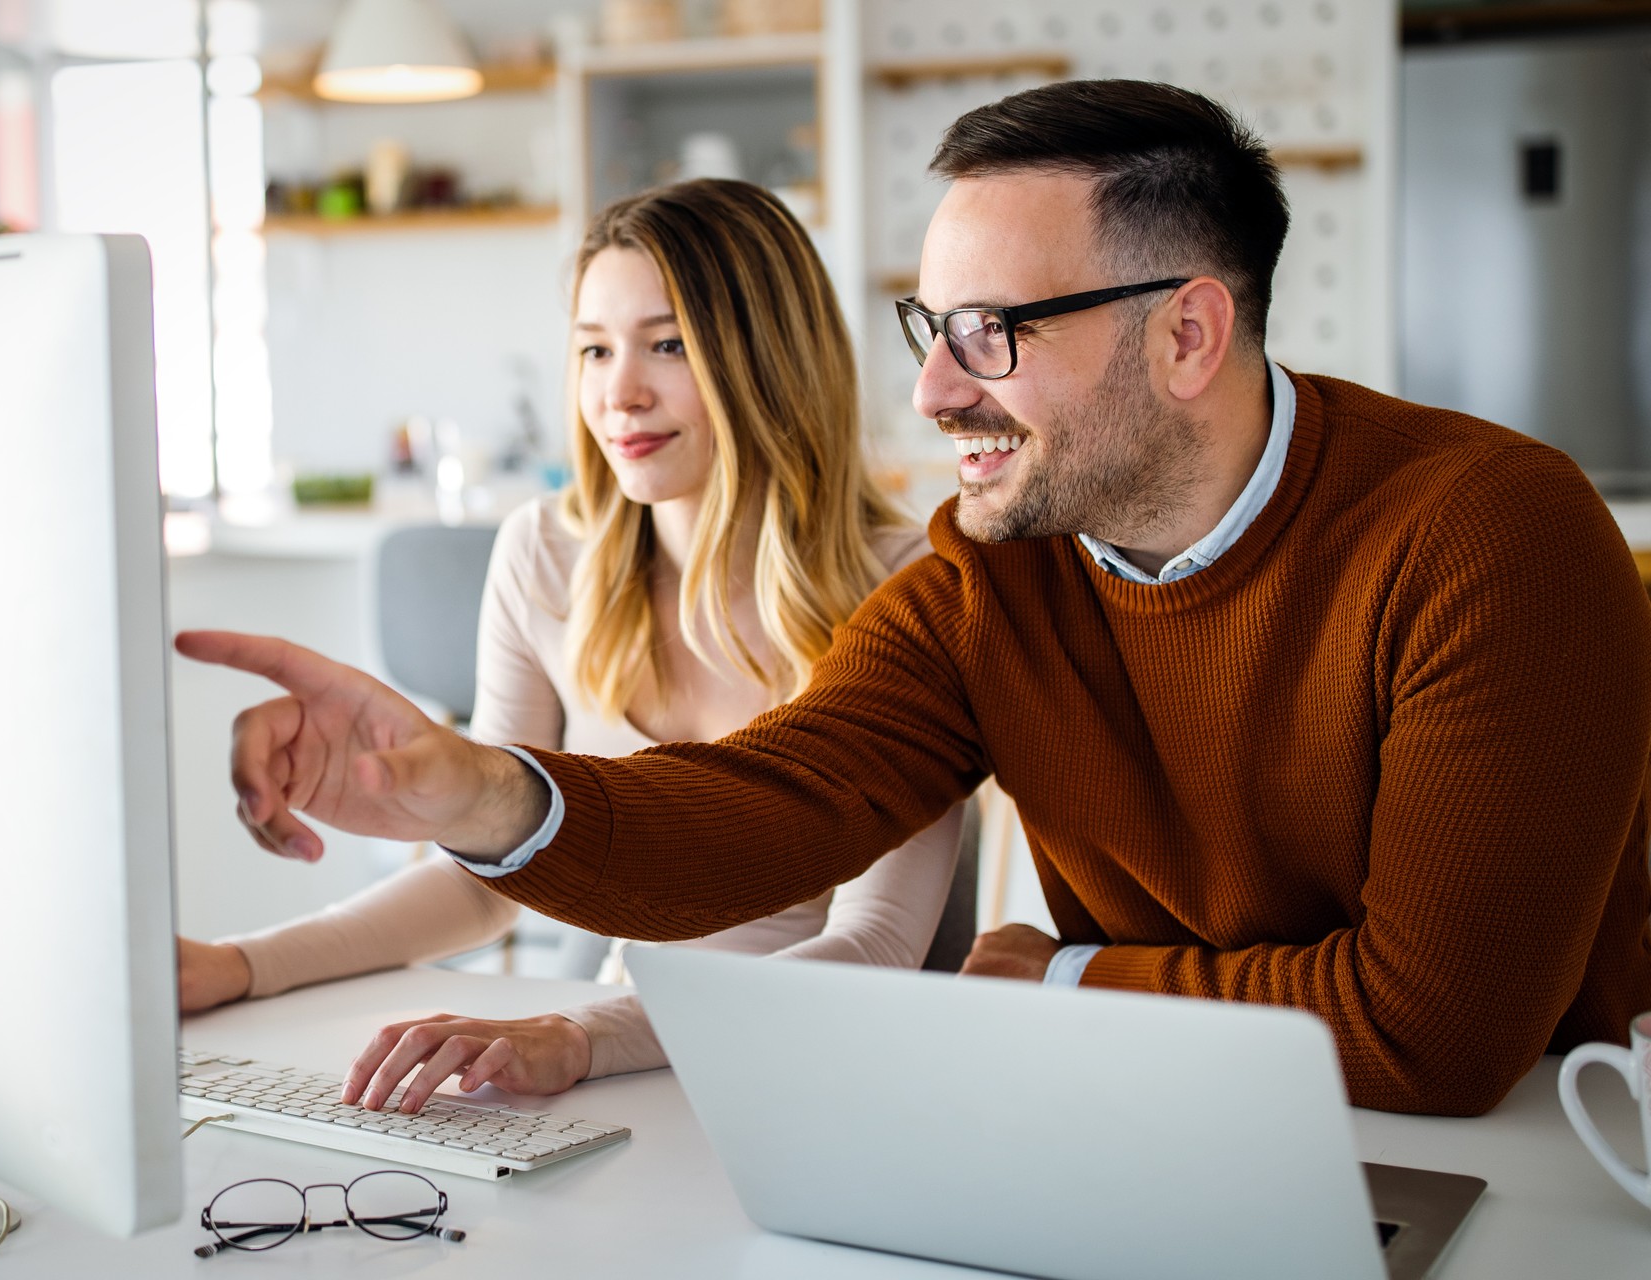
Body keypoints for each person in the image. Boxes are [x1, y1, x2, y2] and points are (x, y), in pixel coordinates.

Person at [177, 81, 1651, 1118]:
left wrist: (1058, 973)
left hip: (1532, 1151)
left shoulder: (1492, 534)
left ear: (1191, 332)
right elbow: (760, 812)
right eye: (930, 329)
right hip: (1183, 1106)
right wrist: (478, 790)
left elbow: (1437, 1037)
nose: (936, 389)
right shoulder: (986, 575)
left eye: (991, 334)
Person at [175, 177, 964, 1107]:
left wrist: (583, 1036)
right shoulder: (546, 555)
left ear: (769, 358)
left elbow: (873, 946)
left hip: (814, 1070)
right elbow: (483, 881)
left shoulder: (913, 585)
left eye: (668, 345)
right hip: (624, 1063)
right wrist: (241, 964)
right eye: (594, 349)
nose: (618, 393)